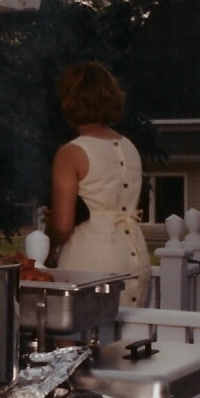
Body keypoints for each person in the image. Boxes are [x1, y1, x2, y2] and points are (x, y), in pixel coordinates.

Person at [48, 61, 150, 306]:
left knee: (75, 341)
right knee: (126, 341)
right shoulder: (129, 147)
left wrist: (48, 237)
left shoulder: (71, 152)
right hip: (134, 254)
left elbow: (63, 226)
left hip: (91, 263)